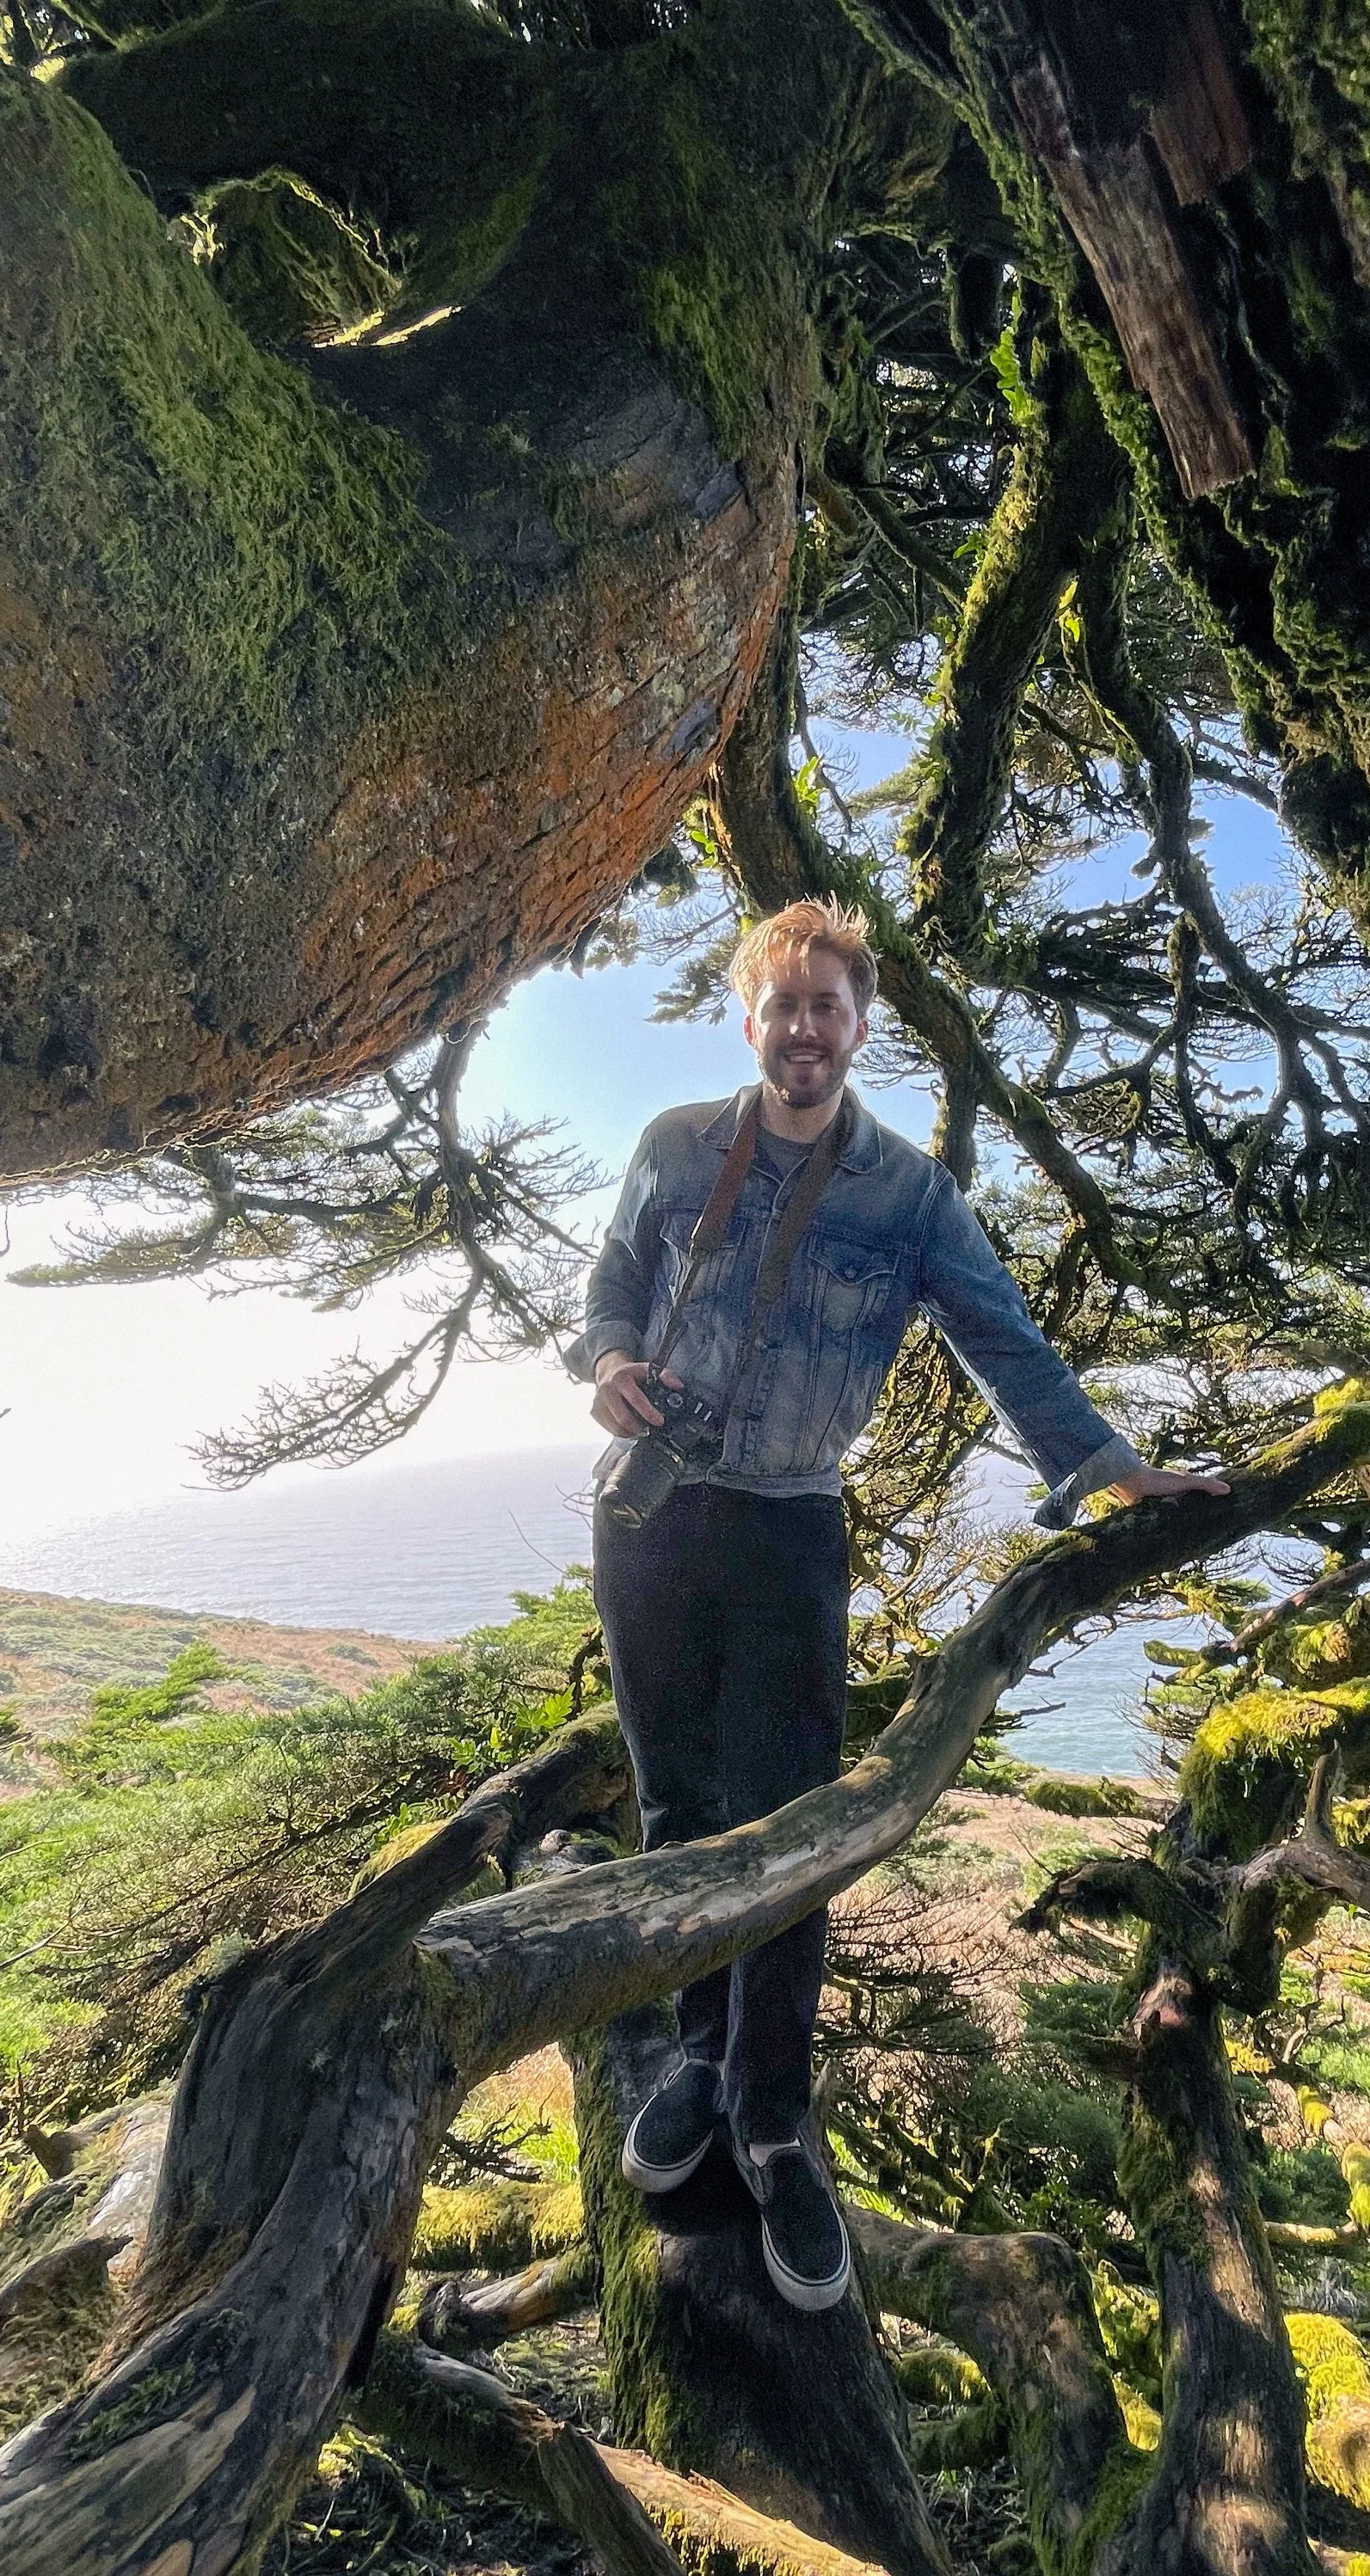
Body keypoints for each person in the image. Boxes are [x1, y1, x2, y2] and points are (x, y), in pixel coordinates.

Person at [570, 898, 1226, 2312]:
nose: (803, 1030)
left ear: (861, 1028)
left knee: (796, 1825)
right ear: (750, 1019)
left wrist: (1105, 1468)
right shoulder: (673, 1147)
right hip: (651, 1517)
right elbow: (614, 1280)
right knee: (678, 1804)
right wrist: (609, 1359)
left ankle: (771, 2117)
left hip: (793, 1527)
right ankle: (698, 2057)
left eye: (829, 1009)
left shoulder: (909, 1197)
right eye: (782, 1006)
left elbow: (1003, 1337)